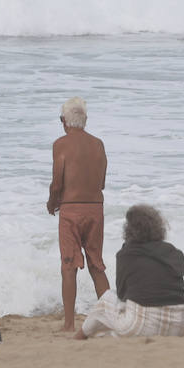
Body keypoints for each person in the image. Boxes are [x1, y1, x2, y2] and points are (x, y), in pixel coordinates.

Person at [76, 204, 184, 339]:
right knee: (116, 326)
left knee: (106, 299)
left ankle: (80, 336)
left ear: (129, 230)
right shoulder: (174, 252)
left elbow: (122, 294)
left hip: (143, 325)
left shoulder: (127, 254)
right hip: (178, 326)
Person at [48, 96, 111, 332]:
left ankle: (69, 324)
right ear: (85, 120)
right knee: (96, 264)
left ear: (64, 121)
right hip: (95, 209)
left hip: (71, 210)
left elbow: (57, 183)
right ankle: (108, 319)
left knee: (68, 266)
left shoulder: (60, 145)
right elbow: (102, 182)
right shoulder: (98, 144)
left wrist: (52, 203)